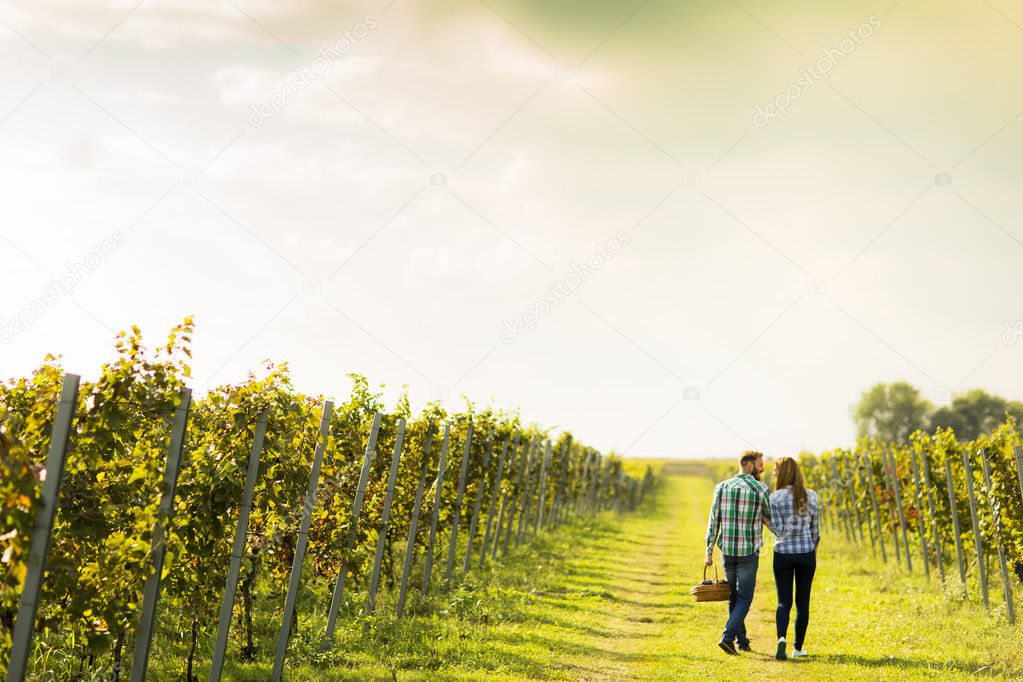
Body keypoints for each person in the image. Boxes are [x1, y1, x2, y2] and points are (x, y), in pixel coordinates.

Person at [704, 450, 772, 655]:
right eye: (760, 464)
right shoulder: (760, 489)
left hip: (728, 551)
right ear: (749, 466)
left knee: (733, 595)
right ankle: (727, 637)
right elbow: (770, 519)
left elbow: (713, 521)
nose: (763, 468)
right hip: (748, 552)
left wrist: (708, 552)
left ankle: (741, 641)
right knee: (745, 597)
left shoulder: (721, 487)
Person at [765, 456, 819, 661]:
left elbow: (778, 530)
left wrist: (765, 521)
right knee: (802, 602)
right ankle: (798, 648)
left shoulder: (775, 498)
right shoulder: (811, 496)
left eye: (775, 472)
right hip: (806, 554)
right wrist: (810, 548)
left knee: (783, 602)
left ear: (781, 474)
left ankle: (781, 640)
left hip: (783, 555)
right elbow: (816, 530)